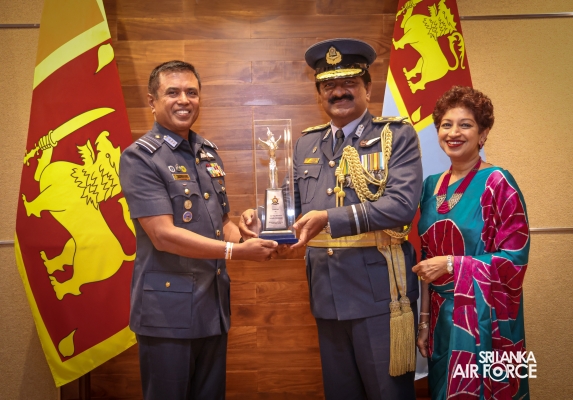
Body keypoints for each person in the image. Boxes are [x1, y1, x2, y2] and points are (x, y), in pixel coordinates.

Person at [240, 38, 422, 399]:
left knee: (388, 393)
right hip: (327, 291)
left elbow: (401, 206)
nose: (338, 92)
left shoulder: (395, 136)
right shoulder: (307, 143)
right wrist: (261, 217)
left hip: (380, 295)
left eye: (349, 83)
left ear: (367, 88)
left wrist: (328, 217)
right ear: (319, 94)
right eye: (328, 86)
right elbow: (291, 206)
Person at [119, 60, 278, 400]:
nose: (184, 100)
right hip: (167, 312)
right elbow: (163, 235)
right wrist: (236, 251)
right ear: (152, 101)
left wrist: (248, 232)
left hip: (211, 306)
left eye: (191, 92)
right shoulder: (140, 158)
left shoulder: (208, 153)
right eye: (172, 92)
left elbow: (222, 225)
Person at [413, 86, 530, 399]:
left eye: (465, 125)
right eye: (446, 124)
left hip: (484, 319)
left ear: (483, 133)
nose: (454, 132)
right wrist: (423, 323)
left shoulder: (498, 182)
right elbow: (425, 260)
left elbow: (515, 260)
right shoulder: (429, 186)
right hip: (440, 320)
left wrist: (453, 264)